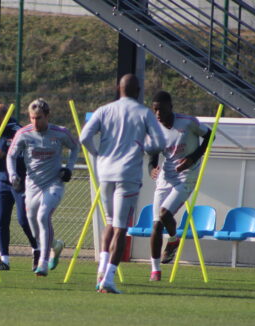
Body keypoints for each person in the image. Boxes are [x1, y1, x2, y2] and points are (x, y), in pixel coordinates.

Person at [80, 74, 165, 294]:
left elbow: (84, 137)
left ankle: (101, 269)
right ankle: (108, 279)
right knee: (120, 227)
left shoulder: (104, 110)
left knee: (109, 222)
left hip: (105, 171)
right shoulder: (144, 112)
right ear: (138, 91)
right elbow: (159, 143)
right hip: (127, 173)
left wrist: (97, 154)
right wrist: (143, 146)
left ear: (119, 88)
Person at [7, 98, 80, 276]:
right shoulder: (24, 134)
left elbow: (75, 146)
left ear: (47, 116)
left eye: (39, 118)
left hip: (54, 184)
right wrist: (13, 174)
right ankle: (55, 245)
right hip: (32, 186)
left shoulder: (60, 133)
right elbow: (10, 156)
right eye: (32, 118)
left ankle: (43, 263)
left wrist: (69, 168)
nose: (35, 122)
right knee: (33, 224)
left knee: (43, 216)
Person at [148, 90, 211, 282]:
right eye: (155, 110)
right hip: (165, 177)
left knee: (165, 214)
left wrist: (192, 158)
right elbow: (153, 154)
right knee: (157, 225)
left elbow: (210, 136)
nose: (158, 113)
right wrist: (152, 167)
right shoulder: (154, 129)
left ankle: (173, 239)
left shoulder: (188, 122)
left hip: (187, 175)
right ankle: (155, 270)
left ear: (171, 107)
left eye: (161, 109)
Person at [0, 104, 39, 271]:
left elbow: (26, 157)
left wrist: (5, 155)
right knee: (1, 220)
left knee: (23, 220)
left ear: (4, 117)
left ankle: (37, 249)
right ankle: (4, 259)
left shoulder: (18, 131)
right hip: (3, 181)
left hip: (21, 181)